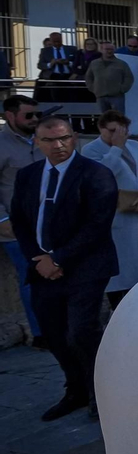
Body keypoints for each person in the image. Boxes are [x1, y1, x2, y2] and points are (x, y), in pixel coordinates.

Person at [10, 113, 119, 420]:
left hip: (86, 266)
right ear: (37, 142)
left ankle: (102, 394)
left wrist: (58, 258)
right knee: (53, 333)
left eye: (65, 138)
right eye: (50, 140)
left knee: (82, 331)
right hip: (43, 268)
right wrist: (39, 258)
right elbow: (20, 219)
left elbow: (97, 225)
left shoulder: (95, 173)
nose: (59, 145)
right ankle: (76, 390)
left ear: (74, 138)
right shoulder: (28, 175)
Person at [79, 110, 138, 309]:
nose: (118, 135)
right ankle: (118, 308)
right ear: (101, 128)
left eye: (122, 131)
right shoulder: (91, 150)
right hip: (114, 216)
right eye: (113, 131)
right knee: (119, 267)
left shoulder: (136, 146)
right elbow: (101, 176)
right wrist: (116, 148)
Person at [0, 95, 44, 340]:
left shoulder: (42, 140)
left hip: (48, 225)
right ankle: (39, 333)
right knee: (31, 278)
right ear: (10, 116)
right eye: (29, 115)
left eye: (37, 114)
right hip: (15, 228)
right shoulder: (1, 144)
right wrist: (2, 221)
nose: (35, 119)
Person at [85, 41, 133, 115]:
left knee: (119, 118)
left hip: (117, 96)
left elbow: (129, 77)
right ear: (101, 50)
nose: (109, 51)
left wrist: (122, 89)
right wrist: (93, 88)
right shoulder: (94, 63)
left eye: (111, 49)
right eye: (107, 49)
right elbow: (88, 77)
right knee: (104, 119)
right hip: (100, 95)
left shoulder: (121, 64)